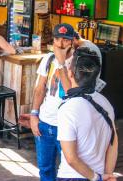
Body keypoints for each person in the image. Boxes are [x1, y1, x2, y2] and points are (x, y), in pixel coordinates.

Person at [56, 47, 118, 181]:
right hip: (99, 174)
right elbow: (113, 143)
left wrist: (96, 178)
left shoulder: (68, 108)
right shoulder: (106, 103)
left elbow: (71, 158)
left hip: (73, 176)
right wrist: (107, 174)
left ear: (71, 73)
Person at [30, 23, 76, 181]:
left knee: (68, 172)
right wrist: (34, 114)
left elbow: (73, 94)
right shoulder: (48, 59)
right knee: (45, 169)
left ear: (73, 41)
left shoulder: (79, 63)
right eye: (58, 39)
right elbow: (40, 89)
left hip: (69, 126)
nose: (61, 44)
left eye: (66, 40)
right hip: (46, 122)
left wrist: (62, 62)